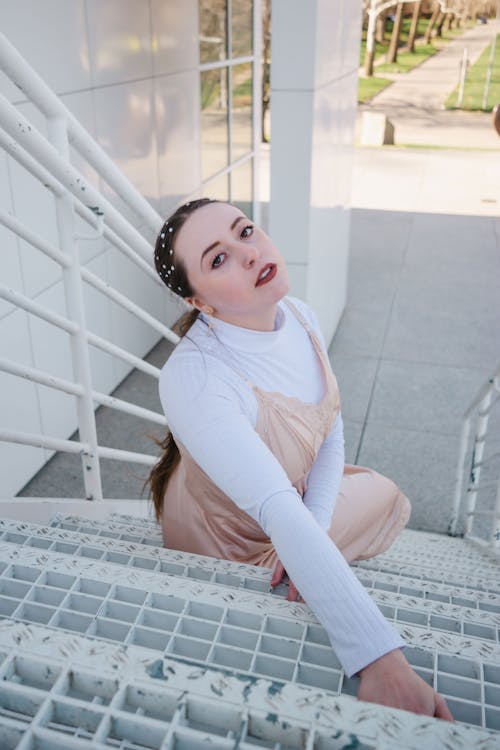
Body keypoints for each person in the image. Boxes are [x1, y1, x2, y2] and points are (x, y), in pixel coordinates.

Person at [148, 198, 453, 721]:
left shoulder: (299, 315)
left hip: (289, 505)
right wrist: (380, 661)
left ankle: (309, 550)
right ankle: (304, 556)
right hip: (231, 545)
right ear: (200, 303)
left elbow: (330, 426)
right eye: (217, 259)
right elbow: (275, 508)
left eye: (245, 231)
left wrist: (312, 523)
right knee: (378, 495)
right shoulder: (194, 376)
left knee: (376, 492)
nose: (248, 253)